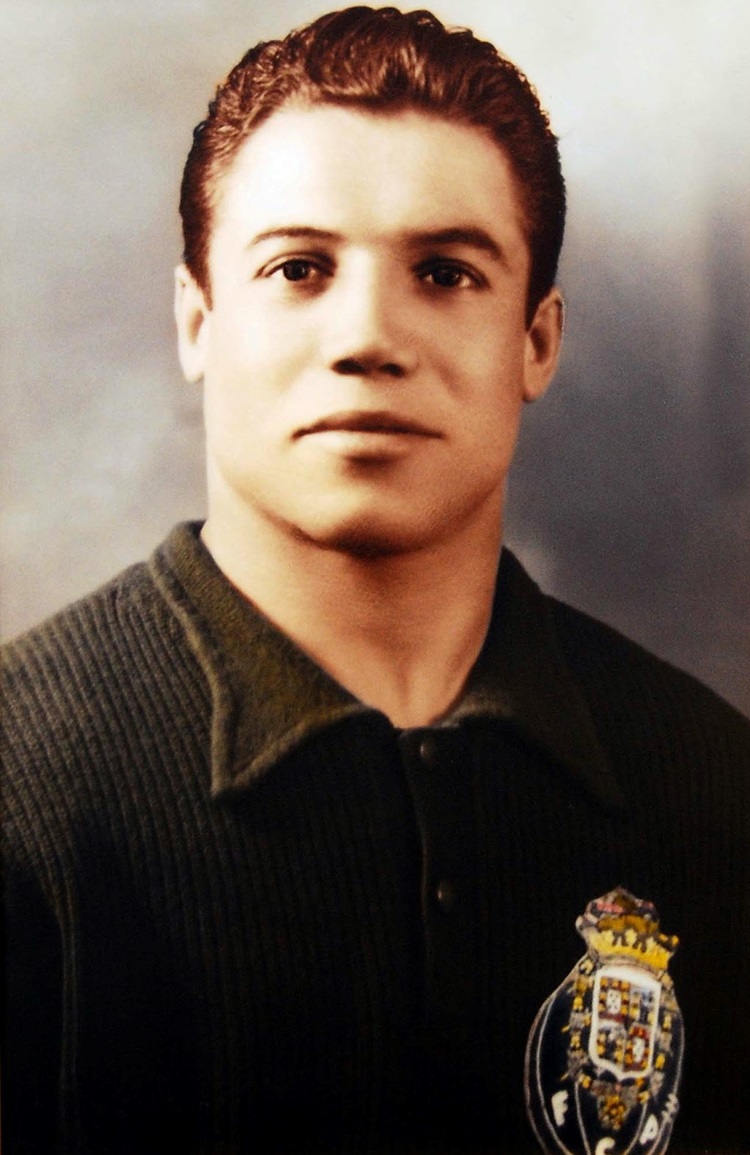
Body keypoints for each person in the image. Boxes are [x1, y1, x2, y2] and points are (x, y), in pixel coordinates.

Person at [2, 7, 749, 1154]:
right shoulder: (20, 792)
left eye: (446, 273)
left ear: (537, 342)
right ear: (197, 323)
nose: (367, 337)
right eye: (298, 268)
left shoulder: (714, 785)